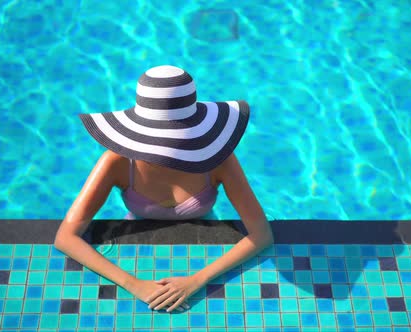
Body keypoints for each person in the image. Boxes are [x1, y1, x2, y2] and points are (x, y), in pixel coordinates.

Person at [54, 65, 274, 313]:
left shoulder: (218, 159)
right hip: (132, 248)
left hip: (208, 248)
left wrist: (196, 280)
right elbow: (66, 237)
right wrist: (134, 284)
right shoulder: (117, 161)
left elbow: (262, 234)